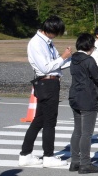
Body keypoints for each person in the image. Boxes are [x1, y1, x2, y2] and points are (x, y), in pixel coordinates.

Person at [18, 16, 73, 167]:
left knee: (39, 120)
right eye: (57, 32)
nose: (57, 35)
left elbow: (56, 65)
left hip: (49, 82)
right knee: (50, 121)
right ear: (51, 30)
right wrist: (63, 57)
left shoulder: (47, 42)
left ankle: (25, 154)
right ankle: (48, 156)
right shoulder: (36, 43)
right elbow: (45, 67)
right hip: (46, 82)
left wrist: (70, 59)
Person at [68, 33, 98, 174]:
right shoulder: (89, 60)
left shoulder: (74, 59)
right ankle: (85, 163)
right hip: (87, 98)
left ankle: (75, 161)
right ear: (90, 46)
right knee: (87, 133)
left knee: (77, 130)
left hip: (74, 96)